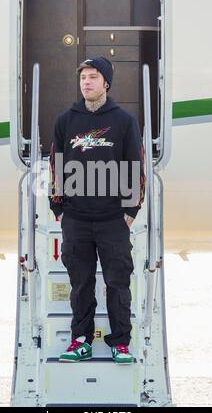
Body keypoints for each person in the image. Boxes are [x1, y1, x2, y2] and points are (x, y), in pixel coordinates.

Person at [49, 56, 145, 364]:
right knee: (81, 284)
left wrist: (130, 211)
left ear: (106, 82)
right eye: (83, 78)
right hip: (76, 219)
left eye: (93, 77)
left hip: (112, 219)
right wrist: (58, 207)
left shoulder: (123, 121)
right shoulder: (66, 120)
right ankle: (81, 341)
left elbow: (135, 165)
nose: (86, 82)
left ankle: (120, 343)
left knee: (118, 282)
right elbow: (56, 166)